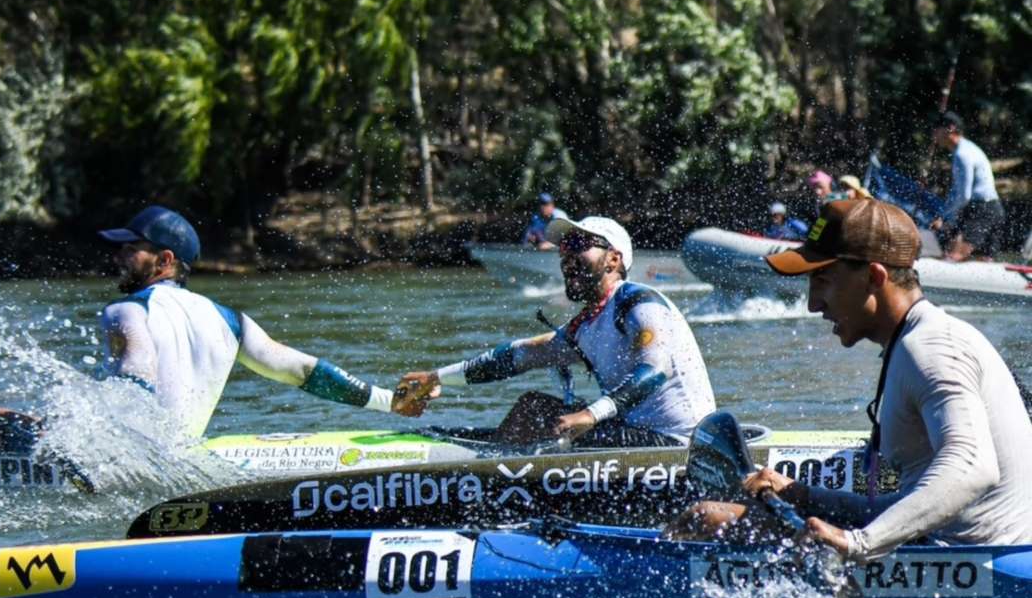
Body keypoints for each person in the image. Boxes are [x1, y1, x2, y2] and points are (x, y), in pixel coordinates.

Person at [672, 199, 1032, 561]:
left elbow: (971, 469)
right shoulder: (915, 340)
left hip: (977, 566)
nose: (814, 303)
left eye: (823, 281)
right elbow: (922, 503)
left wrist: (859, 544)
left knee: (706, 519)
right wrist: (805, 497)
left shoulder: (932, 349)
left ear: (875, 277)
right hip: (950, 545)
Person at [95, 205, 422, 438]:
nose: (118, 257)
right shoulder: (230, 321)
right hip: (182, 454)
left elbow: (136, 366)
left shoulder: (125, 310)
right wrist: (389, 401)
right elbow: (303, 371)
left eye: (129, 249)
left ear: (165, 260)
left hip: (134, 459)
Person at [397, 216, 715, 446]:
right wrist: (436, 378)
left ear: (613, 259)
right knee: (534, 407)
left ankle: (490, 474)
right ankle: (489, 458)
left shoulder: (640, 302)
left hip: (679, 444)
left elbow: (654, 371)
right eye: (563, 248)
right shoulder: (585, 326)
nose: (566, 256)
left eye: (578, 244)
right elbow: (513, 357)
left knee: (536, 419)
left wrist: (591, 414)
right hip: (633, 430)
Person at [929, 111, 1005, 261]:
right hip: (991, 209)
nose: (933, 132)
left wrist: (944, 217)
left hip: (982, 211)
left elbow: (964, 196)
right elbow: (958, 193)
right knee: (983, 261)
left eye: (937, 128)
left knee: (953, 257)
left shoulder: (962, 155)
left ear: (950, 128)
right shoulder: (968, 148)